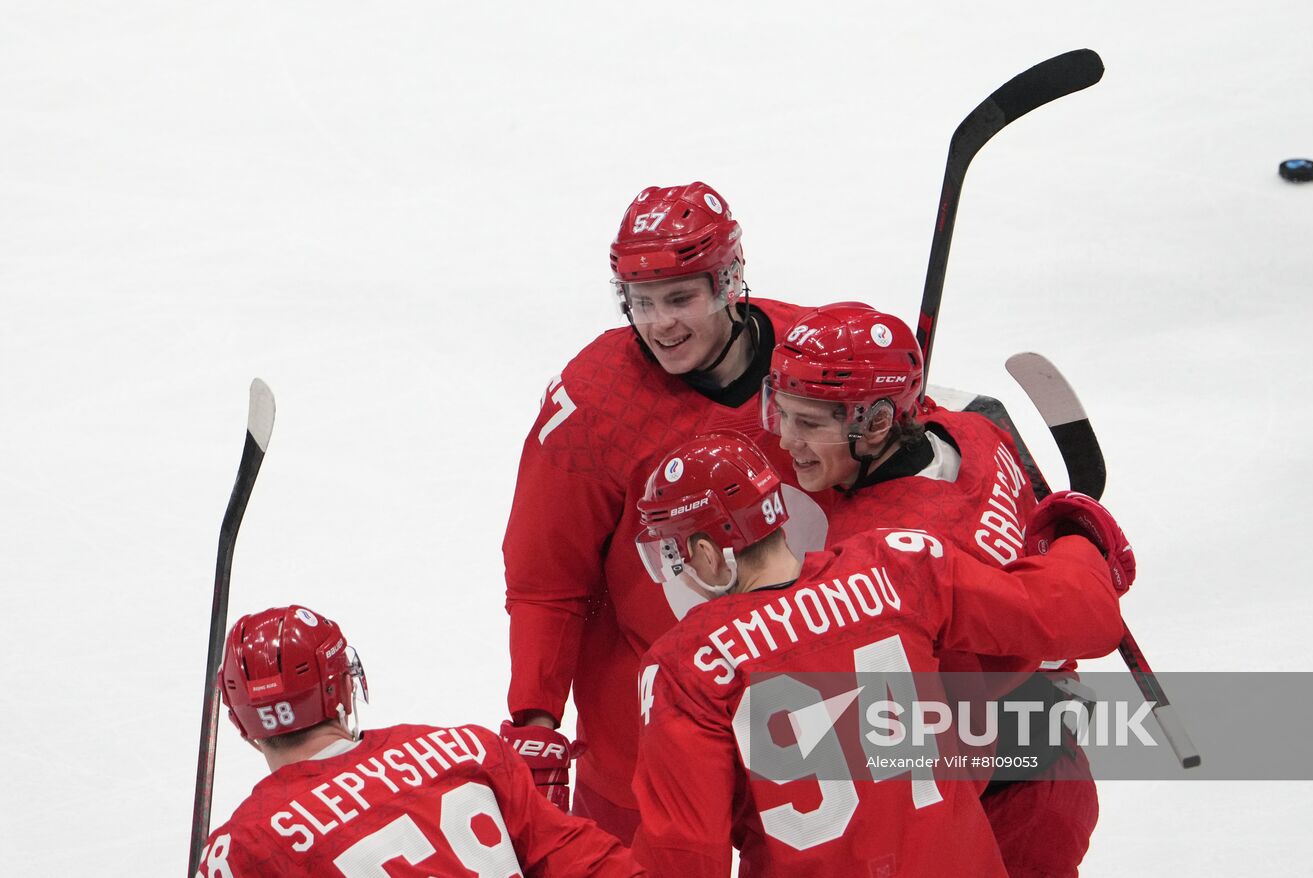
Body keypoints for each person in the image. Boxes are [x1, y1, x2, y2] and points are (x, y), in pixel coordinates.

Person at [629, 432, 1136, 877]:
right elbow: (1075, 617)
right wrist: (1078, 538)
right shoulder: (896, 565)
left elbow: (685, 857)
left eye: (672, 554)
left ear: (707, 554)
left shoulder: (684, 665)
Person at [499, 182, 827, 841]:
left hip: (811, 705)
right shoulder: (594, 400)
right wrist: (536, 719)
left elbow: (893, 485)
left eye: (680, 298)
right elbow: (546, 580)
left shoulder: (816, 357)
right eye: (640, 302)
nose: (659, 324)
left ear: (728, 283)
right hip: (647, 725)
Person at [763, 303, 1110, 876]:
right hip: (1045, 749)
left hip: (1009, 802)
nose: (786, 439)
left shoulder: (885, 553)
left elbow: (943, 745)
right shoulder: (974, 431)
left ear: (878, 424)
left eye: (809, 424)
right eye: (782, 412)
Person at [195, 605, 642, 877]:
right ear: (344, 687)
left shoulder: (242, 850)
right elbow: (583, 862)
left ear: (241, 723)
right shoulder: (465, 749)